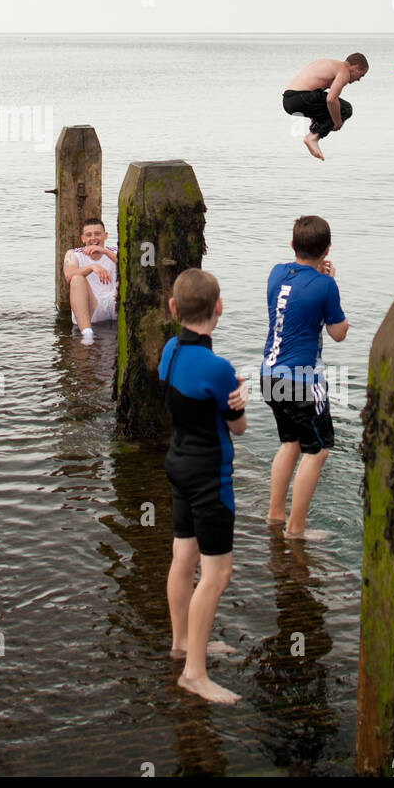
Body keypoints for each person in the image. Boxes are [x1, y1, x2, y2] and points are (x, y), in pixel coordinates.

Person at [160, 268, 248, 705]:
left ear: (174, 309)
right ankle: (194, 672)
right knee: (217, 574)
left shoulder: (170, 350)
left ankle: (182, 643)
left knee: (183, 556)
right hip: (211, 474)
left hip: (178, 463)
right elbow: (239, 428)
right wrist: (239, 400)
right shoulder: (218, 368)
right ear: (218, 307)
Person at [260, 215, 348, 540]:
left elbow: (296, 298)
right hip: (302, 381)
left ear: (292, 245)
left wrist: (320, 278)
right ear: (327, 250)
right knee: (318, 449)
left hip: (269, 374)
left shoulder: (276, 273)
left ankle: (275, 514)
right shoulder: (326, 285)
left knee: (290, 443)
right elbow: (338, 333)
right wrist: (332, 284)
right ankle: (296, 529)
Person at [282, 53, 368, 161]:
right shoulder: (344, 71)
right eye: (361, 75)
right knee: (345, 109)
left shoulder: (331, 65)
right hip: (301, 97)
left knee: (332, 110)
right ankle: (312, 137)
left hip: (289, 101)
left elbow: (316, 100)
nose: (359, 79)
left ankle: (313, 134)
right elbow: (331, 99)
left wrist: (316, 118)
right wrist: (338, 123)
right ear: (356, 68)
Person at [63, 217, 117, 341]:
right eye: (89, 235)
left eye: (98, 234)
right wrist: (92, 267)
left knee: (124, 275)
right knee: (77, 278)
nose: (93, 238)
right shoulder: (74, 254)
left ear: (105, 236)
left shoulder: (115, 252)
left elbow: (132, 269)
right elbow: (68, 276)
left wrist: (105, 252)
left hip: (114, 302)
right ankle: (87, 334)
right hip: (92, 307)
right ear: (83, 238)